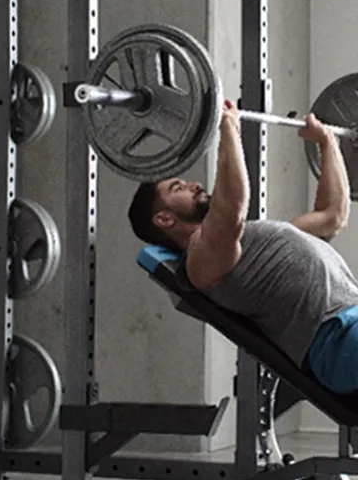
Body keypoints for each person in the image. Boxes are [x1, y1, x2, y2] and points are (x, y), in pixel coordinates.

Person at [127, 99, 358, 394]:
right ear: (164, 218)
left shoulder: (257, 239)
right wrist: (228, 126)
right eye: (178, 188)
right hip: (335, 340)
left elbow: (333, 215)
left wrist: (327, 141)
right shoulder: (200, 259)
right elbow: (232, 207)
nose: (193, 185)